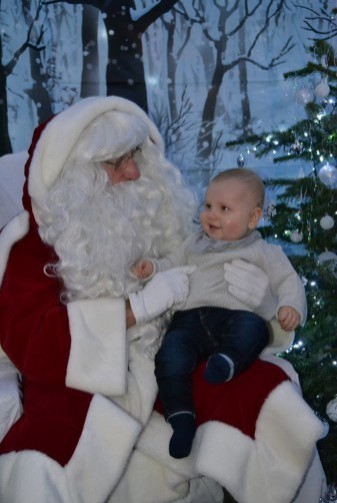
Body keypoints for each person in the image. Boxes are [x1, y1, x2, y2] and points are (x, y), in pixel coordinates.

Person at [0, 96, 326, 503]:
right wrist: (134, 311)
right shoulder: (32, 247)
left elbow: (207, 284)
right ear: (74, 178)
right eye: (116, 163)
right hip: (83, 380)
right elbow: (32, 342)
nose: (135, 172)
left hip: (173, 354)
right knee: (46, 457)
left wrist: (262, 306)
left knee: (268, 398)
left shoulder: (155, 218)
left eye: (135, 154)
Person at [132, 168, 307, 459]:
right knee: (169, 356)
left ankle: (228, 361)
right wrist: (152, 268)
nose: (211, 215)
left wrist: (289, 305)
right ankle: (181, 417)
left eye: (224, 209)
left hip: (234, 317)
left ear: (253, 218)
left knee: (255, 328)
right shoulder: (194, 243)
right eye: (208, 206)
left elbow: (288, 281)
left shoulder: (264, 251)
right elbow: (172, 262)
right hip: (189, 319)